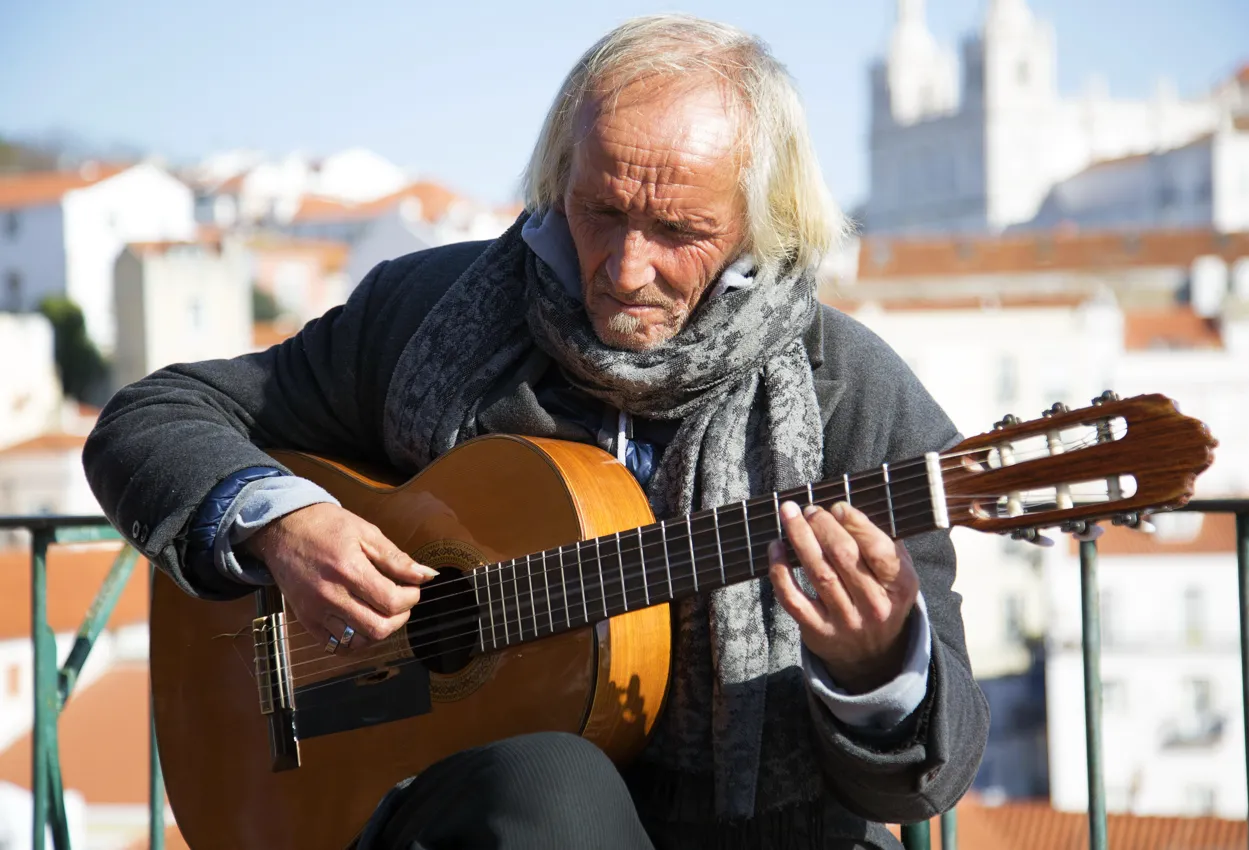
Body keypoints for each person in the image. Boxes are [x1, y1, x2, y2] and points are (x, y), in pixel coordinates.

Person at [84, 14, 987, 850]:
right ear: (561, 178)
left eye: (679, 230)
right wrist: (280, 525)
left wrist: (877, 666)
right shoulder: (430, 314)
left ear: (764, 220)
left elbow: (927, 777)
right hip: (455, 817)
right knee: (550, 786)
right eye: (602, 212)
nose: (629, 268)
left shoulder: (852, 396)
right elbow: (154, 417)